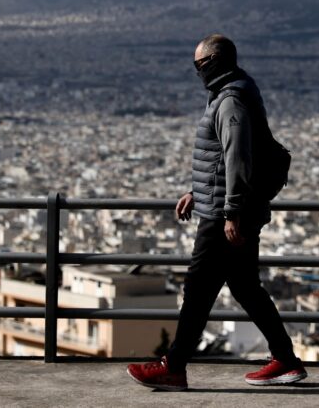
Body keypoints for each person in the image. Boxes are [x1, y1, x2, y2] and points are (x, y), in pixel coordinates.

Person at [127, 34, 306, 391]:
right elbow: (224, 160)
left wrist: (231, 211)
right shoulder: (235, 93)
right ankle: (286, 360)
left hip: (224, 217)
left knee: (197, 291)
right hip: (226, 207)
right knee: (246, 288)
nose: (196, 72)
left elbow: (238, 158)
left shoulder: (231, 101)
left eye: (198, 65)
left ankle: (173, 367)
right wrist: (198, 191)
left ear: (211, 63)